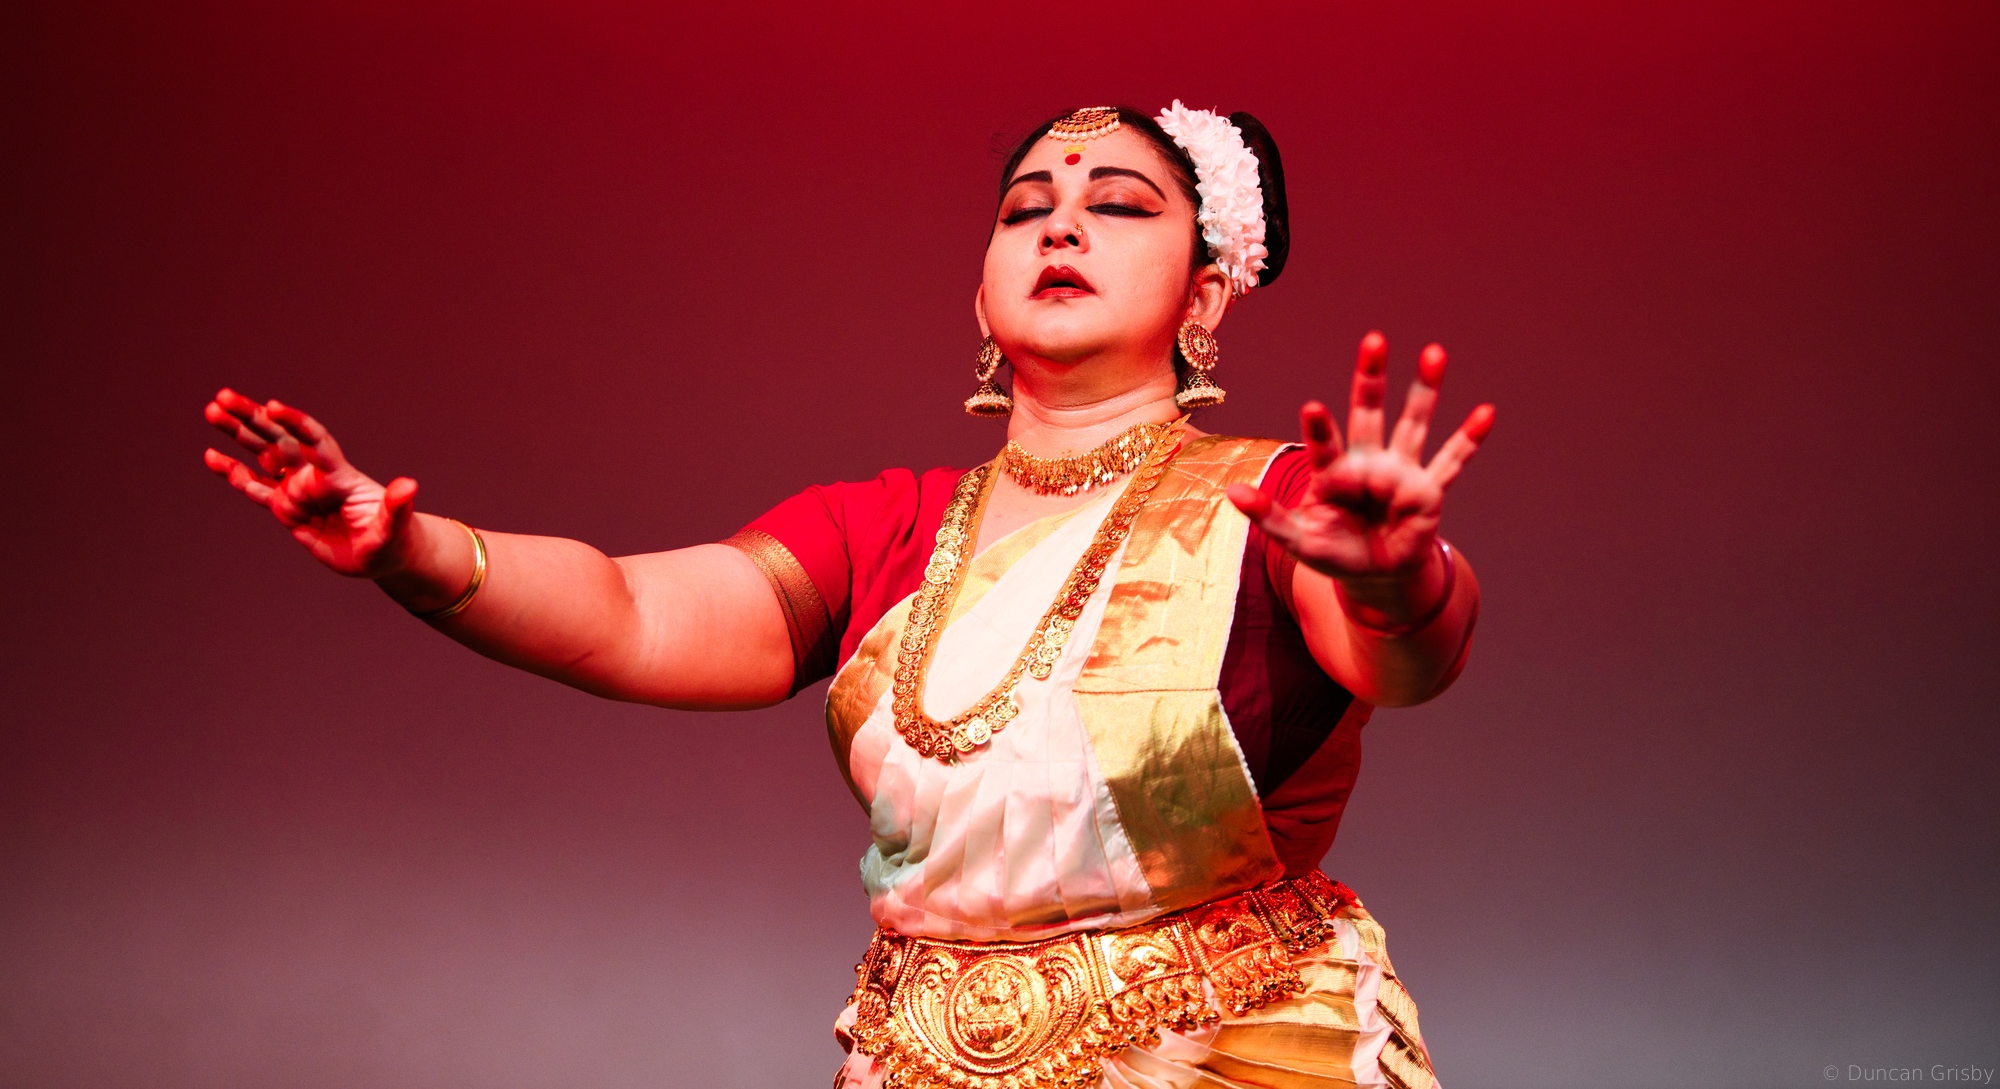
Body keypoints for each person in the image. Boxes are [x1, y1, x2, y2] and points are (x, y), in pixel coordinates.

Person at [203, 102, 1494, 1089]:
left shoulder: (1279, 500)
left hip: (1233, 1057)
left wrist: (1391, 578)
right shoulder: (887, 530)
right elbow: (626, 616)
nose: (1061, 227)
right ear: (981, 292)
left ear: (1206, 290)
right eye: (1027, 208)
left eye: (1119, 205)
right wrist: (413, 549)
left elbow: (1407, 658)